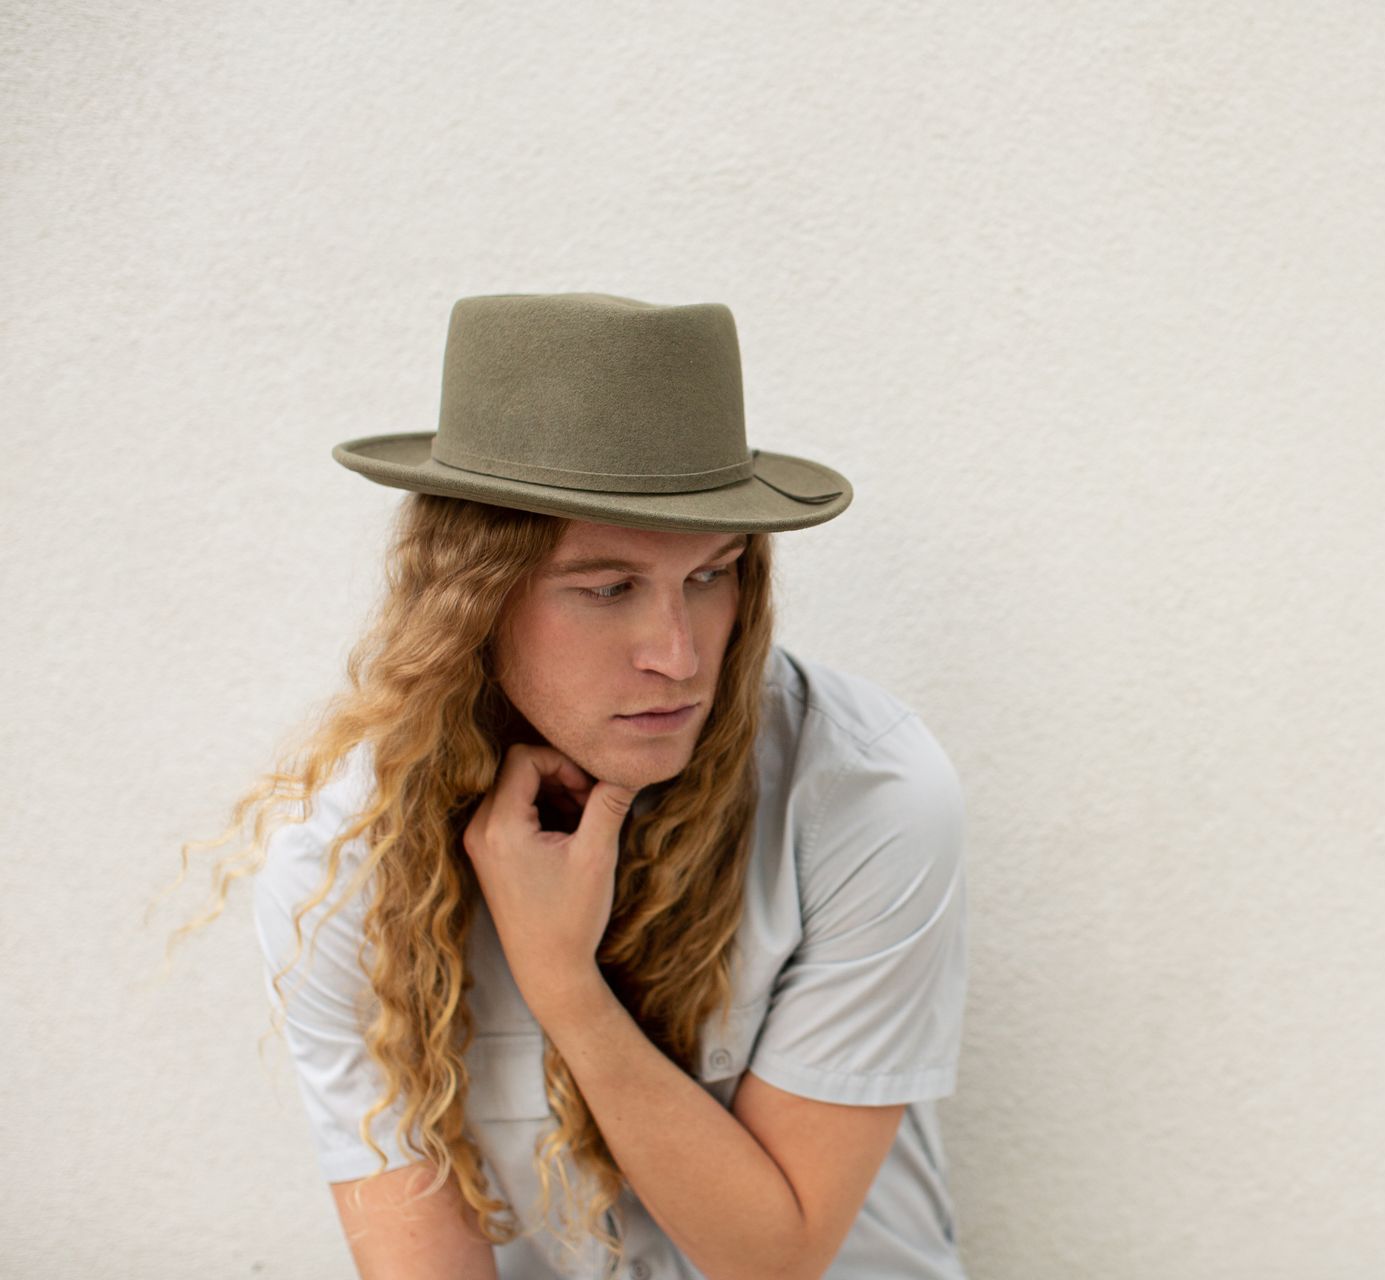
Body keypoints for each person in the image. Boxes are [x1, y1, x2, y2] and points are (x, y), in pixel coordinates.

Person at [197, 293, 969, 1279]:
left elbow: (774, 1256)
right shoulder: (345, 856)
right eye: (607, 589)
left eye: (711, 575)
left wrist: (563, 980)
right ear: (475, 597)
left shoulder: (866, 796)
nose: (679, 654)